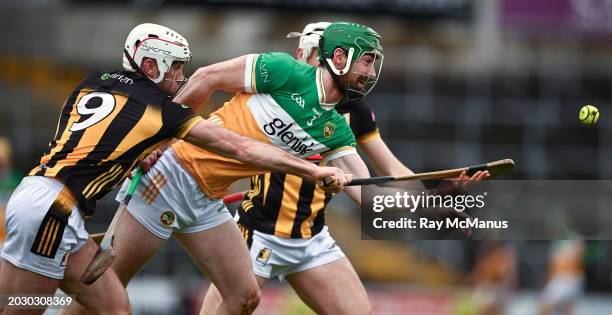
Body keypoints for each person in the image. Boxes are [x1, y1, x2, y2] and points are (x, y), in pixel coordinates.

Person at [0, 23, 347, 315]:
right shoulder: (160, 112)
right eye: (176, 67)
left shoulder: (92, 82)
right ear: (151, 67)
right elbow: (240, 147)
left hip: (45, 197)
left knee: (115, 306)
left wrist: (144, 150)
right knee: (24, 305)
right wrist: (311, 170)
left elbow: (104, 139)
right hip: (53, 209)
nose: (182, 76)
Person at [199, 22, 490, 315]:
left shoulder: (351, 112)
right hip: (258, 233)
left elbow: (387, 173)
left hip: (312, 239)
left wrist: (431, 199)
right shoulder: (278, 92)